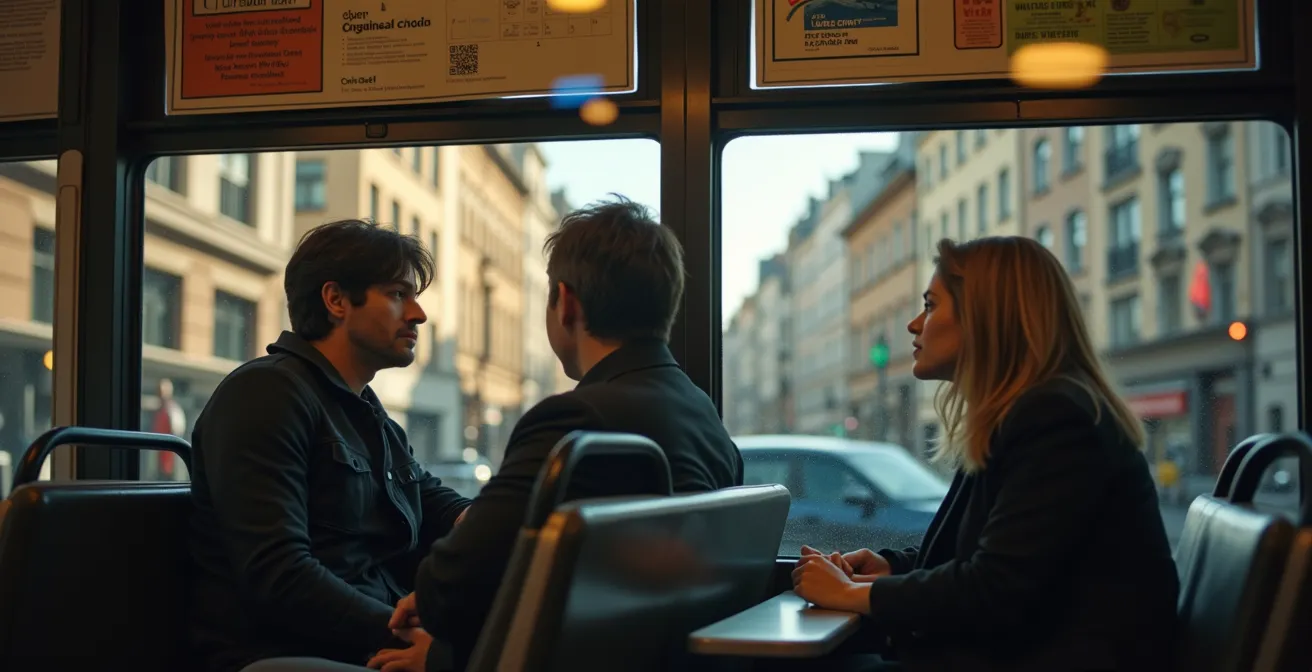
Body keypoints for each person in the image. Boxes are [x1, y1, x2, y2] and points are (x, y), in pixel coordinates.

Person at [368, 196, 745, 672]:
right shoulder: (702, 414)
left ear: (566, 304)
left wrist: (445, 657)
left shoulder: (574, 420)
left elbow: (452, 590)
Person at [792, 237, 1179, 671]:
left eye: (931, 306)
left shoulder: (1054, 417)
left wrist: (850, 593)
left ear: (984, 318)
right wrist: (892, 568)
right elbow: (988, 558)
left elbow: (995, 589)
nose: (915, 325)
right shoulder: (1023, 412)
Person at [187, 220, 473, 672]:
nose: (418, 314)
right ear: (336, 300)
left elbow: (434, 501)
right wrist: (406, 638)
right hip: (283, 655)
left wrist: (499, 525)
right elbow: (279, 575)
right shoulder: (266, 394)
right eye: (398, 294)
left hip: (357, 643)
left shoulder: (366, 411)